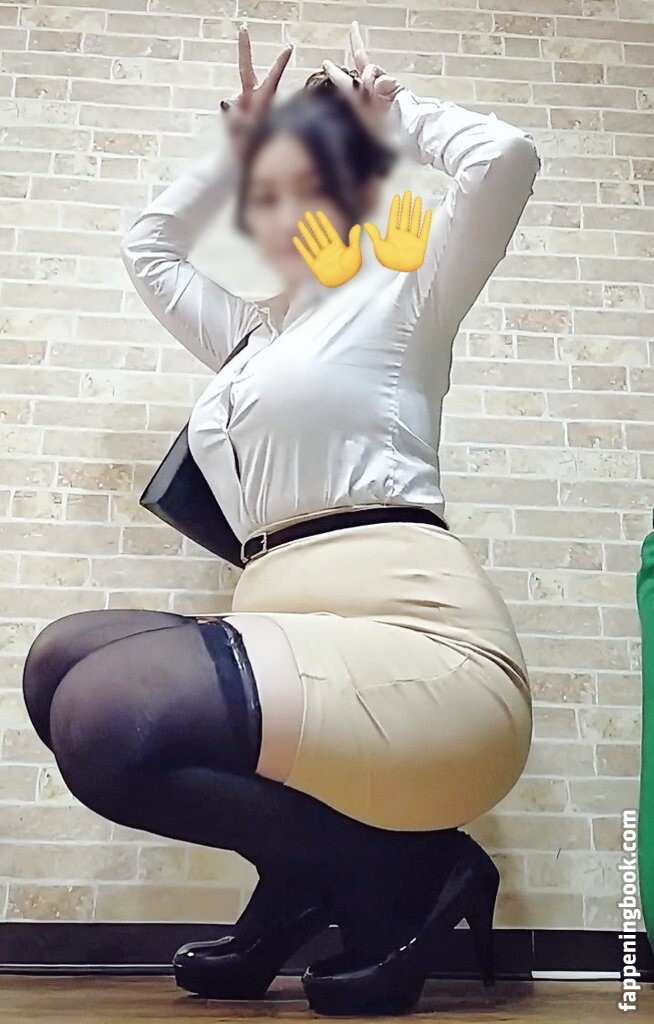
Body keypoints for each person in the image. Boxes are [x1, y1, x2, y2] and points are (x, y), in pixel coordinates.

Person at [21, 20, 540, 1016]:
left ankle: (406, 870)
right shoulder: (248, 338)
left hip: (419, 646)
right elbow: (147, 246)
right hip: (296, 635)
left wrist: (397, 118)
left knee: (105, 717)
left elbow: (506, 160)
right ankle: (308, 876)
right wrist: (237, 141)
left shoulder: (404, 293)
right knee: (57, 665)